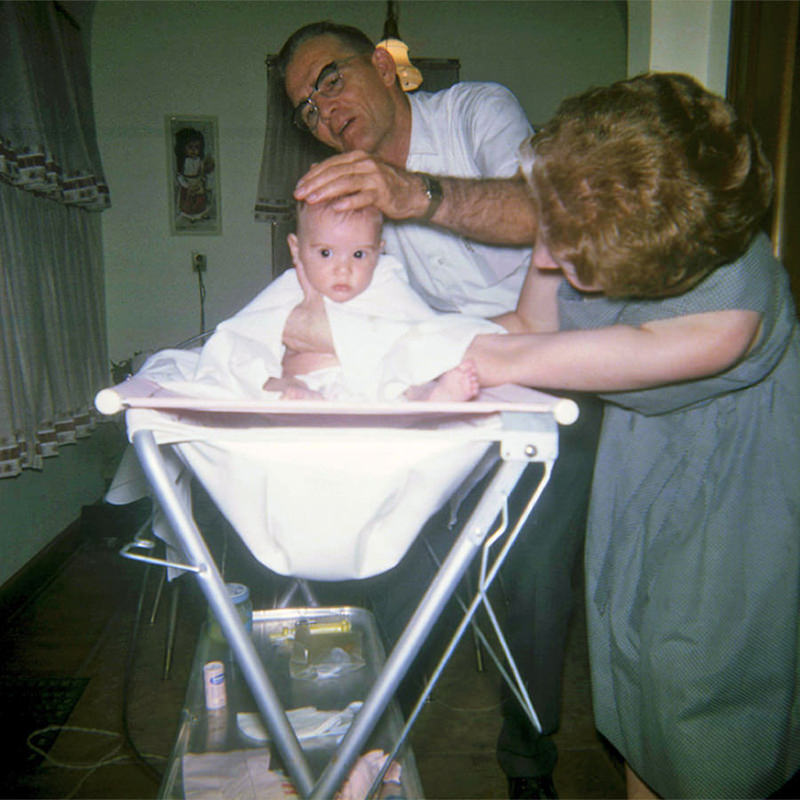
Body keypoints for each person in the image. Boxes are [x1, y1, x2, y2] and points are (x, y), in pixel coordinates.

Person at [277, 21, 603, 798]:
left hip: (548, 365)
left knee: (528, 574)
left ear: (387, 68)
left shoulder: (475, 111)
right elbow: (351, 302)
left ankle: (528, 762)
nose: (321, 112)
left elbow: (542, 214)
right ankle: (360, 742)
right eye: (304, 108)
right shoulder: (352, 195)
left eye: (329, 80)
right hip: (449, 377)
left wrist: (411, 193)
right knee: (380, 534)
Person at [464, 72, 800, 799]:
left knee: (702, 700)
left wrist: (438, 355)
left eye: (565, 253)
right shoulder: (581, 214)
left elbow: (513, 355)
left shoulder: (732, 310)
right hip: (645, 475)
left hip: (733, 501)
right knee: (636, 682)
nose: (544, 258)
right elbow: (527, 325)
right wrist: (389, 347)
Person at [260, 198, 490, 402]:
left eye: (359, 255)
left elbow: (422, 332)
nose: (343, 270)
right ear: (296, 248)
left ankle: (430, 396)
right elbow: (246, 335)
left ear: (378, 253)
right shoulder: (289, 288)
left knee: (409, 374)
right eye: (325, 253)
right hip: (306, 382)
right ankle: (303, 398)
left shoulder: (385, 286)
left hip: (374, 385)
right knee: (268, 382)